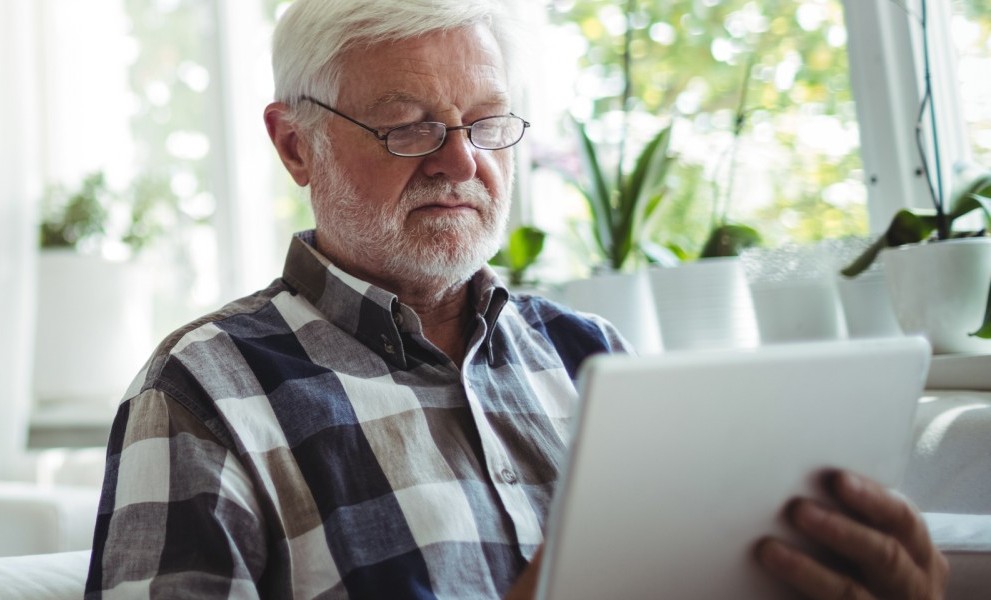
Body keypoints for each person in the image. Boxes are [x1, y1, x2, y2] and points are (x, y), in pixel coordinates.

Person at [86, 0, 948, 598]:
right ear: (294, 145)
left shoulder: (593, 353)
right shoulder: (204, 390)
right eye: (407, 124)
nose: (461, 162)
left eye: (487, 122)